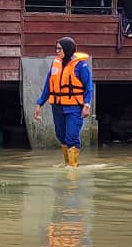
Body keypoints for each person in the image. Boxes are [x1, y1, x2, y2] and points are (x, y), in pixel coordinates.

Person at [35, 37, 93, 167]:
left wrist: (87, 105)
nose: (57, 51)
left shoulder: (81, 66)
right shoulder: (55, 63)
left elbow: (88, 87)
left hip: (74, 108)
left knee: (71, 137)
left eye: (59, 49)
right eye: (56, 48)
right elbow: (48, 86)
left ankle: (73, 167)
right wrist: (39, 103)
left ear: (67, 49)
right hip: (57, 107)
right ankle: (67, 163)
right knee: (61, 136)